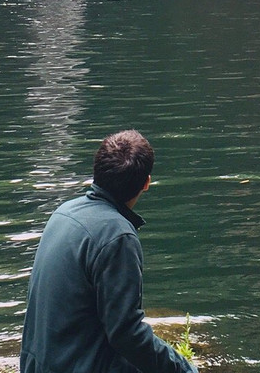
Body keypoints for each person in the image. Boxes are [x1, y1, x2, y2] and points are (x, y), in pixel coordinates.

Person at [20, 130, 197, 373]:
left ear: (97, 173)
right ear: (146, 183)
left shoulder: (64, 212)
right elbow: (128, 335)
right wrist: (184, 369)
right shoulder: (117, 236)